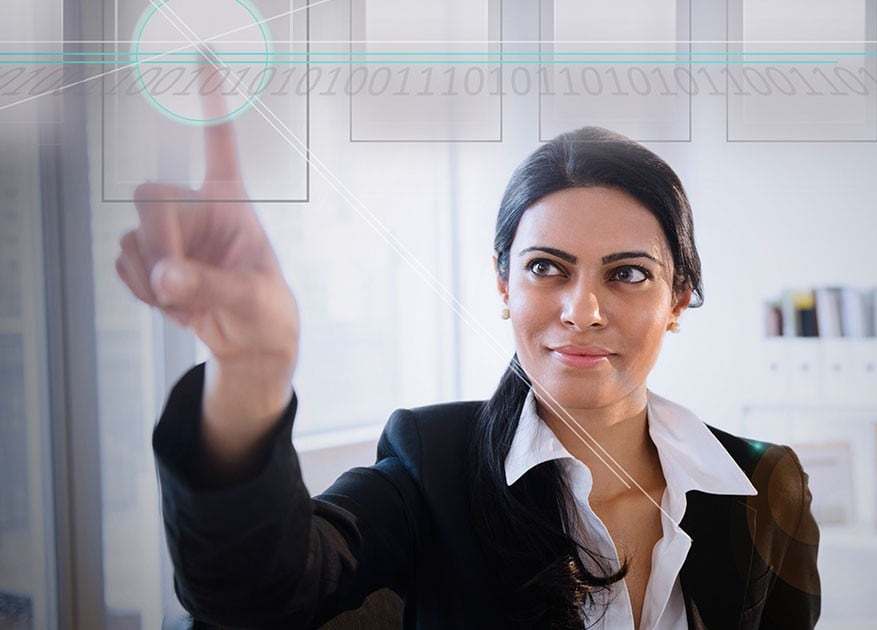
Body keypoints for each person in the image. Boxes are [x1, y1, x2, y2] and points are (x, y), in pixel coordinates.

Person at [116, 86, 820, 629]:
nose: (582, 310)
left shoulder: (766, 486)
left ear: (678, 298)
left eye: (628, 273)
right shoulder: (432, 463)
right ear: (502, 286)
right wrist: (251, 373)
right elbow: (254, 593)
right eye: (547, 267)